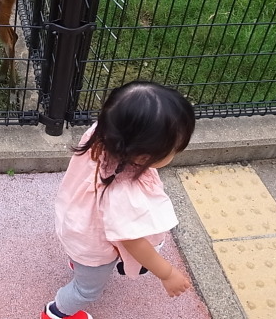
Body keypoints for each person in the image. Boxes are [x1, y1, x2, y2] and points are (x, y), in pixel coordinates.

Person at [41, 81, 196, 319]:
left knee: (83, 261)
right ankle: (58, 312)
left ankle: (79, 264)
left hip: (78, 219)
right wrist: (167, 273)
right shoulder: (123, 193)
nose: (175, 154)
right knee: (86, 291)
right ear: (143, 156)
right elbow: (133, 241)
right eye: (174, 149)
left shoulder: (101, 134)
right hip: (94, 246)